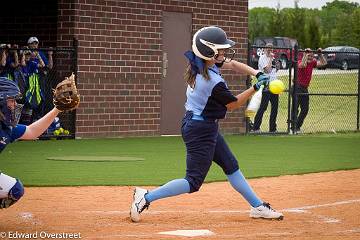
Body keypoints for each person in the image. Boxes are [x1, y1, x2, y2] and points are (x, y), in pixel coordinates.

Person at [130, 26, 283, 222]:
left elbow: (234, 64)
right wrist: (255, 87)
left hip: (203, 125)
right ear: (209, 52)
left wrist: (257, 72)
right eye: (221, 50)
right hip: (199, 130)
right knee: (193, 181)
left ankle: (258, 206)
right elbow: (233, 105)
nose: (225, 53)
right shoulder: (211, 81)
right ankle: (146, 197)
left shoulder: (202, 64)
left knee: (231, 165)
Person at [0, 77, 62, 209]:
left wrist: (57, 109)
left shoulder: (6, 127)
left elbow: (32, 131)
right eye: (11, 100)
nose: (15, 104)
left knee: (16, 189)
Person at [292, 48, 327, 133]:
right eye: (309, 55)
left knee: (305, 109)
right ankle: (293, 127)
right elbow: (303, 65)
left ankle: (297, 126)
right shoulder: (300, 61)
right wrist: (305, 55)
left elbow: (324, 63)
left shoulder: (312, 62)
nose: (310, 57)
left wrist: (320, 54)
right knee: (295, 108)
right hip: (297, 87)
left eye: (311, 56)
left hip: (304, 88)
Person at [252, 43, 280, 133]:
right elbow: (267, 70)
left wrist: (277, 63)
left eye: (271, 48)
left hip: (274, 86)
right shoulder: (262, 58)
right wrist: (271, 59)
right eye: (268, 48)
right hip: (266, 85)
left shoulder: (273, 58)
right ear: (264, 49)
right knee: (263, 107)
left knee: (275, 108)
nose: (270, 49)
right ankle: (256, 128)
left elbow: (276, 70)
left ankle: (272, 129)